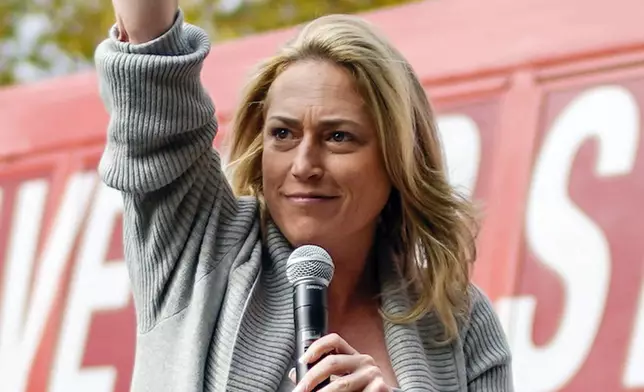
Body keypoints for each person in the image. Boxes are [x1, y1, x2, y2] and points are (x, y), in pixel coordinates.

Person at [96, 0, 513, 391]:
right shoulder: (200, 248)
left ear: (396, 157)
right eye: (283, 134)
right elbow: (150, 63)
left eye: (338, 137)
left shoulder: (459, 322)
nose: (303, 165)